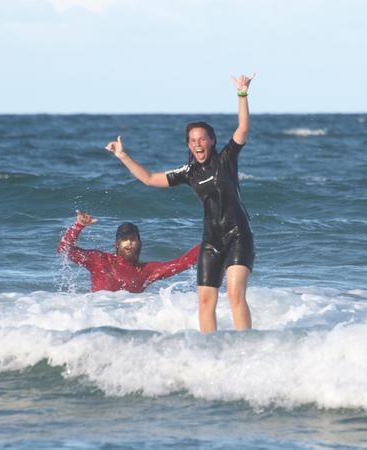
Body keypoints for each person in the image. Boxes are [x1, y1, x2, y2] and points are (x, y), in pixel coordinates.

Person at [105, 74, 255, 333]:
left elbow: (242, 129)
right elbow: (150, 179)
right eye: (193, 140)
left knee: (234, 294)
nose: (198, 144)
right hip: (212, 241)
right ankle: (210, 349)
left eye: (202, 139)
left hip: (238, 236)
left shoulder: (226, 160)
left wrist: (242, 94)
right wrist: (122, 155)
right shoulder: (189, 172)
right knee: (206, 300)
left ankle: (248, 345)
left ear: (212, 141)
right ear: (189, 144)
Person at [58, 210, 200, 293]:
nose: (129, 243)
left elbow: (184, 262)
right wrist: (78, 226)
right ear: (117, 244)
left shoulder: (147, 271)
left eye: (133, 239)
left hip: (128, 323)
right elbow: (64, 249)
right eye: (124, 239)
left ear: (140, 243)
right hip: (98, 319)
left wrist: (212, 239)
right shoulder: (100, 261)